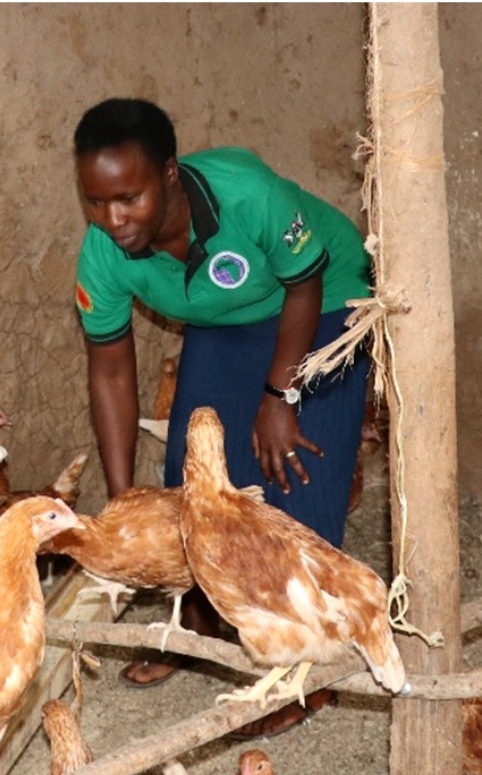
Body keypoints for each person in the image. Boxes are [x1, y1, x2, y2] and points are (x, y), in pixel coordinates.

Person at [71, 97, 372, 738]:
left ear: (171, 175)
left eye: (129, 198)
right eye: (96, 202)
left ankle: (307, 665)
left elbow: (306, 281)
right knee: (193, 476)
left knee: (289, 474)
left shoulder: (247, 193)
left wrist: (280, 398)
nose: (113, 219)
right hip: (225, 320)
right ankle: (204, 618)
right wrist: (127, 502)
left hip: (323, 297)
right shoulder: (103, 253)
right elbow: (112, 372)